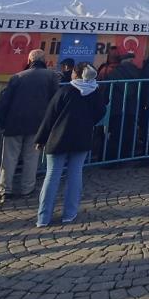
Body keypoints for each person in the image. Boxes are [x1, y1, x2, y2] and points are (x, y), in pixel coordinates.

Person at [34, 63, 108, 226]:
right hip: (82, 137)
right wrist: (88, 123)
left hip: (59, 137)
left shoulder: (65, 91)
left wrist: (41, 138)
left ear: (76, 74)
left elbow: (50, 116)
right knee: (75, 175)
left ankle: (43, 217)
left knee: (52, 176)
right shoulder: (94, 93)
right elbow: (101, 112)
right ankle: (70, 213)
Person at [0, 48, 60, 202]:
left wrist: (2, 122)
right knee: (32, 157)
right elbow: (54, 101)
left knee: (9, 158)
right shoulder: (51, 76)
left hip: (14, 121)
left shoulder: (17, 76)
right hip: (37, 122)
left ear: (29, 60)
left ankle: (5, 190)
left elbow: (4, 102)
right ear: (44, 61)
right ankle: (27, 188)